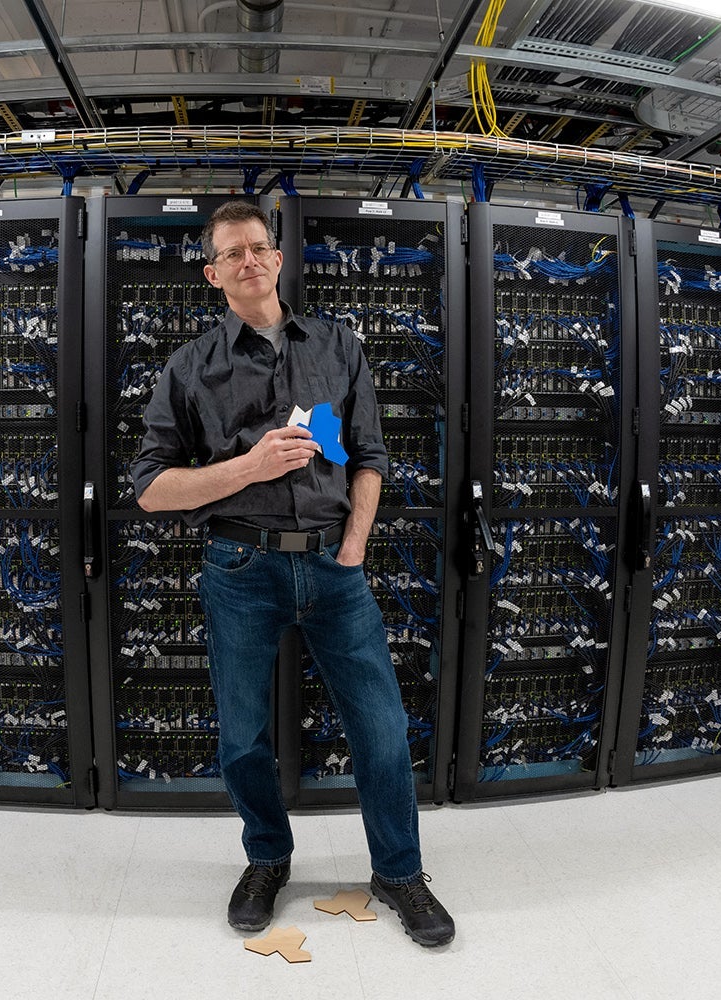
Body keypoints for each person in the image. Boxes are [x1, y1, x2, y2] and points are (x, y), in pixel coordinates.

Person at [130, 200, 455, 948]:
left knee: (380, 727)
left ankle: (398, 871)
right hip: (239, 568)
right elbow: (149, 489)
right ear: (214, 275)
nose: (249, 260)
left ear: (279, 260)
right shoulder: (190, 367)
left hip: (335, 568)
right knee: (243, 735)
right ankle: (267, 859)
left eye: (259, 248)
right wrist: (247, 466)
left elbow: (369, 455)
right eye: (232, 254)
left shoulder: (338, 346)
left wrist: (357, 544)